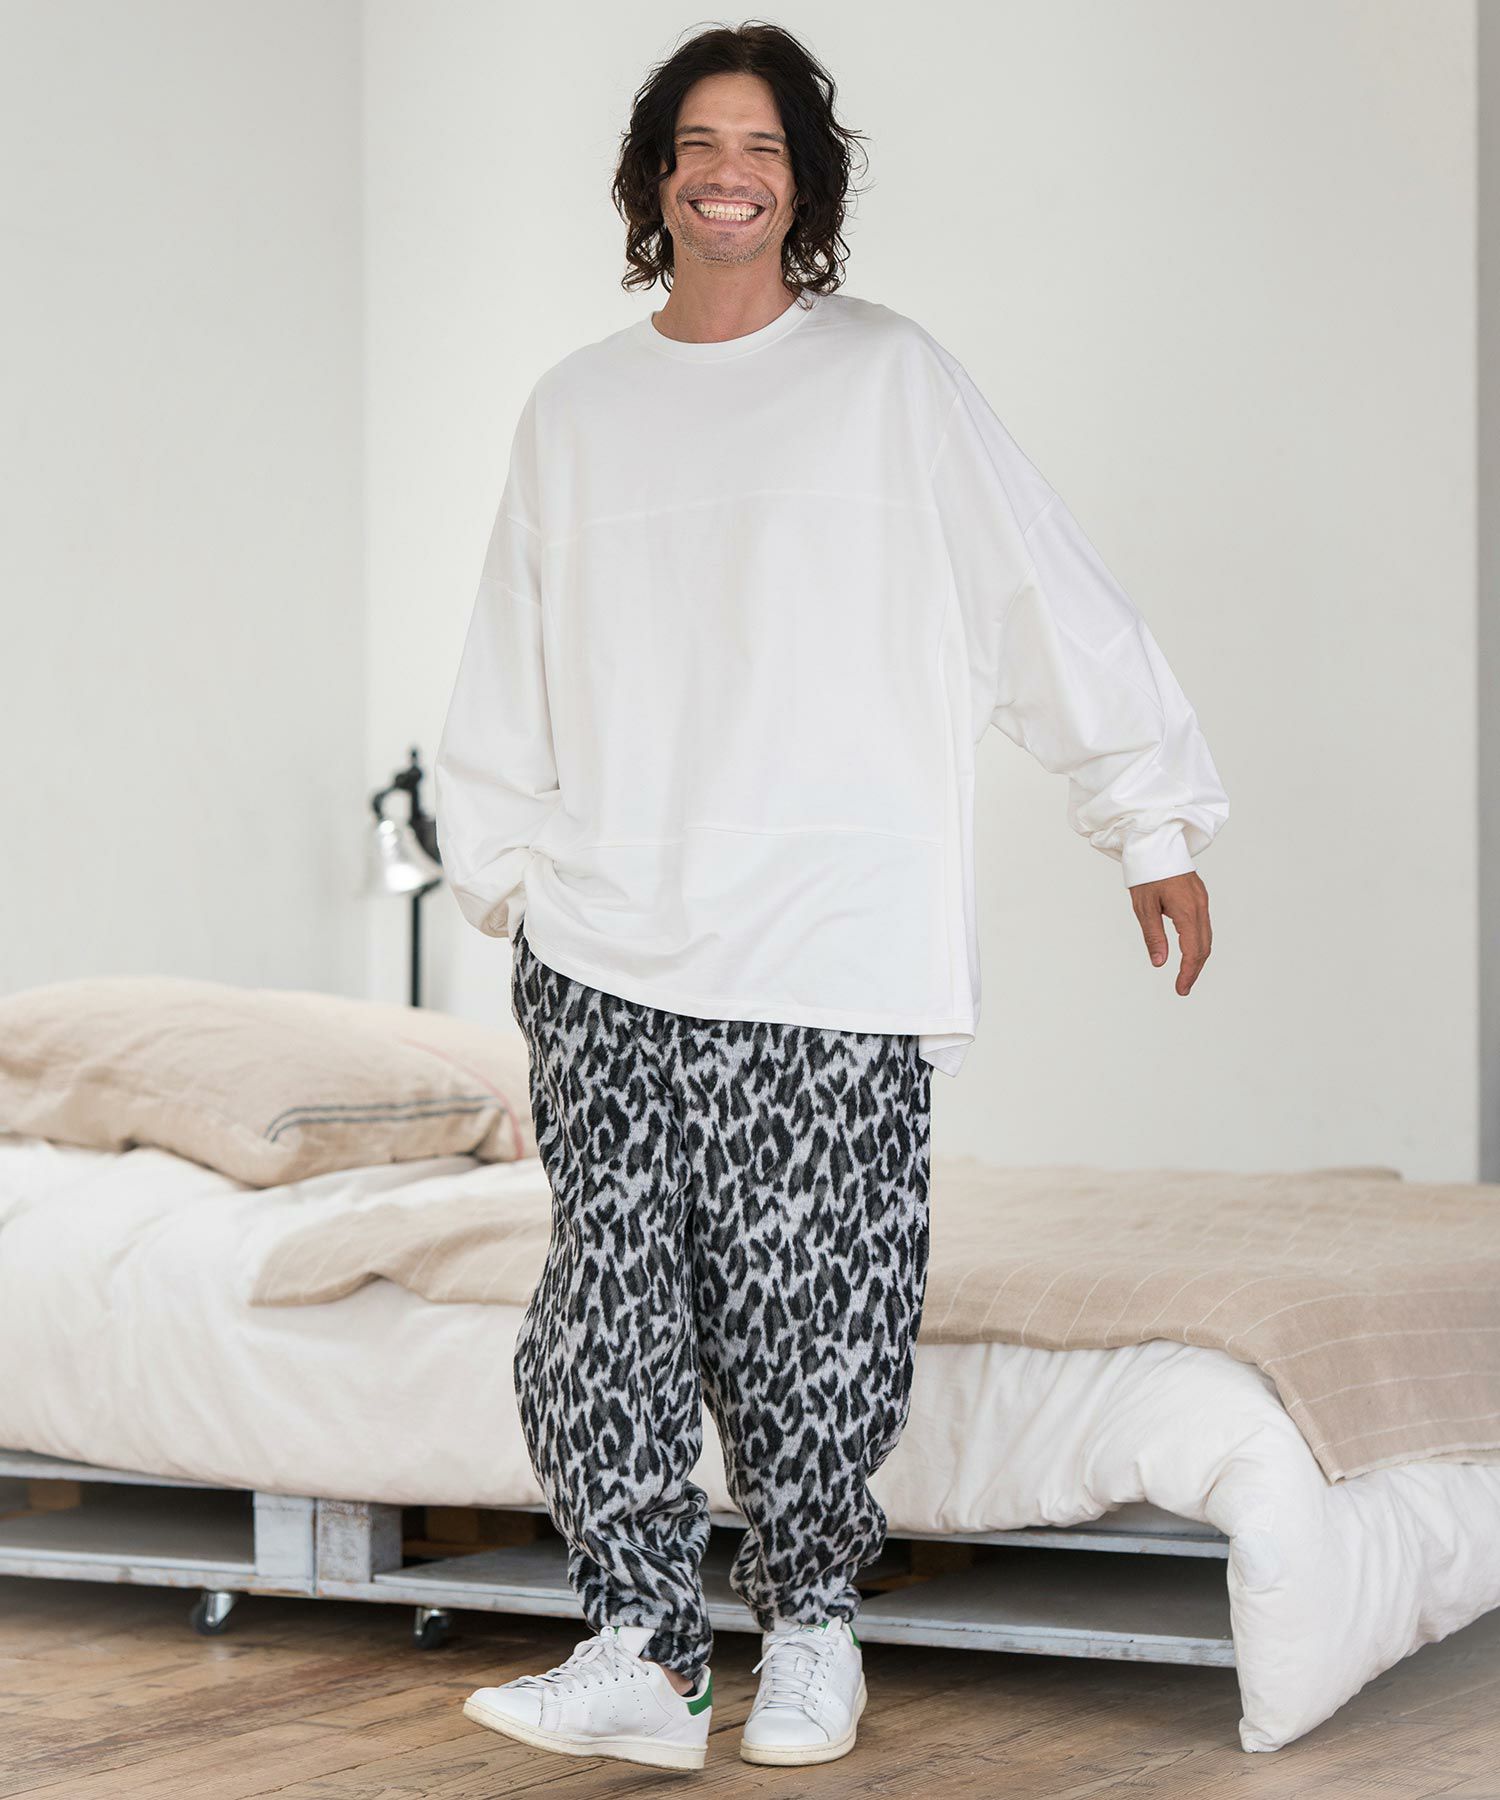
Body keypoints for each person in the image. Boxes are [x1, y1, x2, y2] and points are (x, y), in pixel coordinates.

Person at [434, 20, 1228, 1775]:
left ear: (806, 183)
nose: (730, 174)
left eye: (766, 147)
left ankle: (810, 1632)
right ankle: (643, 1652)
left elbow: (1040, 599)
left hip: (828, 942)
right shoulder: (576, 407)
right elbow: (508, 656)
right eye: (700, 144)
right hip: (609, 940)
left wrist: (1149, 819)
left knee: (815, 1315)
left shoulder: (888, 379)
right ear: (655, 178)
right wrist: (502, 875)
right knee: (605, 1314)